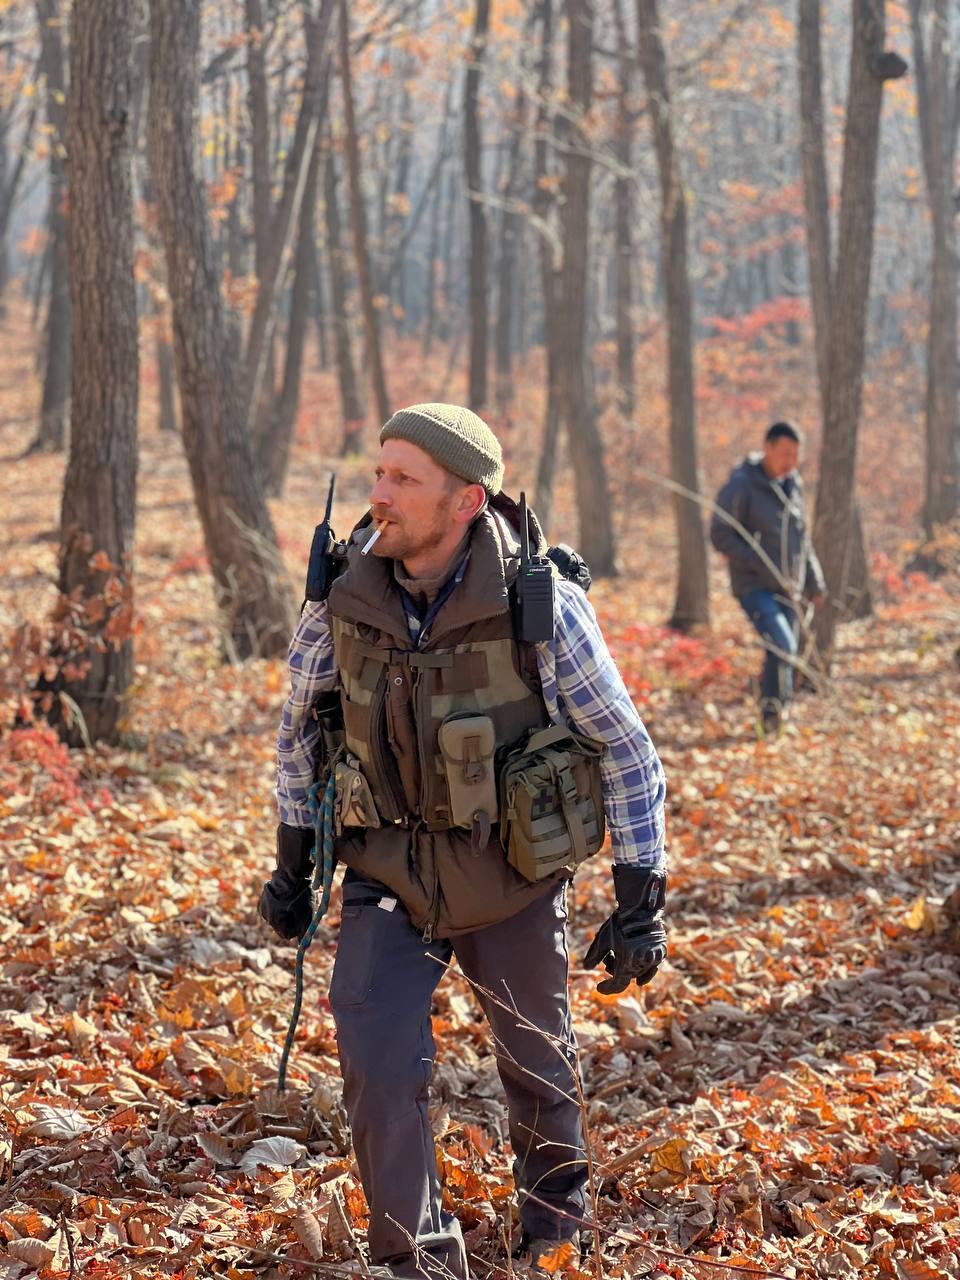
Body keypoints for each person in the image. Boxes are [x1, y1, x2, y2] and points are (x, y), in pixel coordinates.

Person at [259, 404, 667, 1279]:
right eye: (379, 472)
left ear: (466, 500)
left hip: (509, 871)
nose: (380, 494)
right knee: (375, 1063)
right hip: (384, 870)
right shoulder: (342, 595)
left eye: (404, 479)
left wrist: (642, 897)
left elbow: (626, 747)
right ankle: (418, 1261)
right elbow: (297, 730)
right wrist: (293, 863)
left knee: (537, 1062)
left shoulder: (538, 606)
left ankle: (555, 1230)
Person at [709, 421, 825, 733]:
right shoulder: (742, 484)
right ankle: (771, 715)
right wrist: (756, 559)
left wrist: (814, 582)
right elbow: (720, 533)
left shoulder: (793, 485)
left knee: (786, 651)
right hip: (754, 585)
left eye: (795, 455)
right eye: (785, 453)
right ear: (767, 447)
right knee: (781, 644)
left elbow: (803, 540)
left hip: (790, 587)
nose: (791, 461)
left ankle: (778, 714)